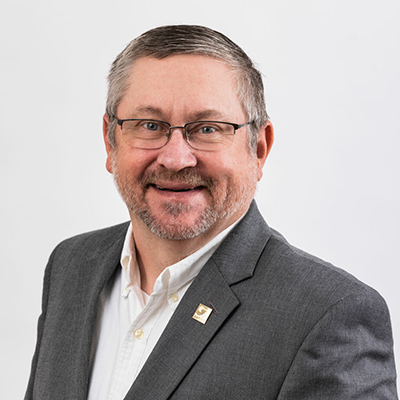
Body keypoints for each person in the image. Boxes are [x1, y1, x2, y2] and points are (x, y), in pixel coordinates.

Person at [25, 25, 398, 400]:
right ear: (110, 140)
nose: (175, 158)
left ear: (259, 149)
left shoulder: (328, 316)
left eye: (207, 129)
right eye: (150, 126)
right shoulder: (72, 267)